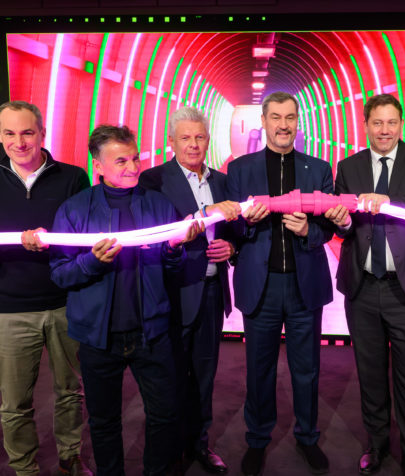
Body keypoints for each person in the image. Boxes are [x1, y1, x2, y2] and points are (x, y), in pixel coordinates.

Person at [49, 124, 202, 476]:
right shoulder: (74, 210)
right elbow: (60, 273)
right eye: (121, 161)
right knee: (104, 422)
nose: (132, 167)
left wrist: (176, 249)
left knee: (164, 415)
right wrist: (92, 261)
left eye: (134, 158)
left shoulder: (158, 204)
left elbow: (171, 270)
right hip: (98, 338)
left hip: (152, 333)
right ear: (97, 166)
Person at [0, 101, 92, 475]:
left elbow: (84, 239)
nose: (19, 141)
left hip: (66, 302)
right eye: (9, 133)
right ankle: (24, 468)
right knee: (15, 403)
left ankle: (70, 456)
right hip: (10, 308)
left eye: (27, 132)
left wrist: (54, 240)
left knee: (70, 392)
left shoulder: (73, 177)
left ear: (42, 134)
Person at [323, 93, 405, 476]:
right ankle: (376, 445)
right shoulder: (348, 166)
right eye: (377, 123)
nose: (384, 130)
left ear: (401, 124)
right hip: (362, 288)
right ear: (365, 126)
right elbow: (341, 225)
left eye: (391, 122)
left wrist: (389, 199)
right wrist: (342, 222)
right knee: (371, 374)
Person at [226, 91, 335, 476]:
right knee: (259, 368)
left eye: (290, 117)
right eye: (276, 117)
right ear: (264, 121)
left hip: (304, 283)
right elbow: (229, 227)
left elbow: (330, 225)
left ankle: (308, 437)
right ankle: (258, 439)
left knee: (308, 368)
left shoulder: (319, 169)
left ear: (297, 122)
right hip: (262, 284)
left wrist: (309, 230)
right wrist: (246, 223)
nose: (283, 125)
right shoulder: (239, 170)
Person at [138, 106, 240, 474]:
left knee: (205, 374)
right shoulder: (152, 180)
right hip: (173, 293)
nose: (193, 144)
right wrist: (202, 214)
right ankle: (172, 449)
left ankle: (200, 444)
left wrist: (233, 249)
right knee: (170, 377)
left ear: (208, 140)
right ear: (172, 141)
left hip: (211, 292)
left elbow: (236, 231)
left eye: (199, 137)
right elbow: (154, 232)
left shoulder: (224, 181)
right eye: (186, 138)